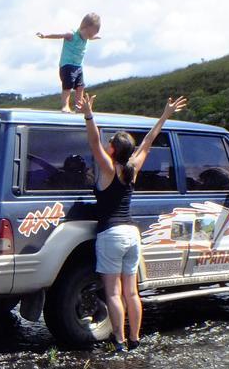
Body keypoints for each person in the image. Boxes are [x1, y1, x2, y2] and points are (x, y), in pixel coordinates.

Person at [79, 92, 188, 351]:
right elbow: (148, 142)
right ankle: (136, 339)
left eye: (110, 144)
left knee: (114, 293)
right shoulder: (132, 169)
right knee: (132, 293)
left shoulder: (109, 169)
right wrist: (165, 114)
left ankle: (119, 340)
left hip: (112, 235)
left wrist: (88, 115)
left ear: (113, 150)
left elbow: (94, 143)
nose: (105, 145)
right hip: (132, 234)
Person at [36, 12, 101, 112]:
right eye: (89, 34)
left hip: (78, 66)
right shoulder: (72, 34)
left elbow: (90, 37)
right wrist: (45, 35)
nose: (89, 37)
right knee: (68, 86)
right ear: (84, 27)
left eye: (91, 35)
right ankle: (65, 105)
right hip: (67, 65)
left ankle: (79, 106)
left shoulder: (87, 36)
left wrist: (93, 38)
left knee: (80, 86)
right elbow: (58, 35)